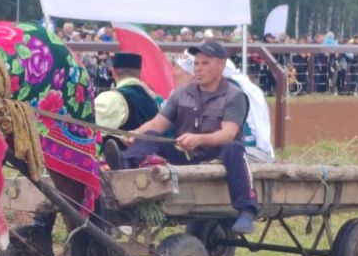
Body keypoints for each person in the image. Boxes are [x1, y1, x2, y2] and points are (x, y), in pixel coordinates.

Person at [105, 41, 258, 234]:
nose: (199, 69)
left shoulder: (234, 96)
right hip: (186, 155)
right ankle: (123, 167)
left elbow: (228, 134)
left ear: (220, 65)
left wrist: (198, 139)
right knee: (151, 136)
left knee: (234, 148)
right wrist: (135, 133)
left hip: (219, 156)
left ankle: (246, 210)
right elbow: (157, 124)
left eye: (205, 63)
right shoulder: (181, 94)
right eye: (197, 64)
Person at [95, 53, 161, 147]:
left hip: (120, 160)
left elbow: (86, 127)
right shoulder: (153, 98)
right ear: (139, 73)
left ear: (113, 72)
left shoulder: (112, 97)